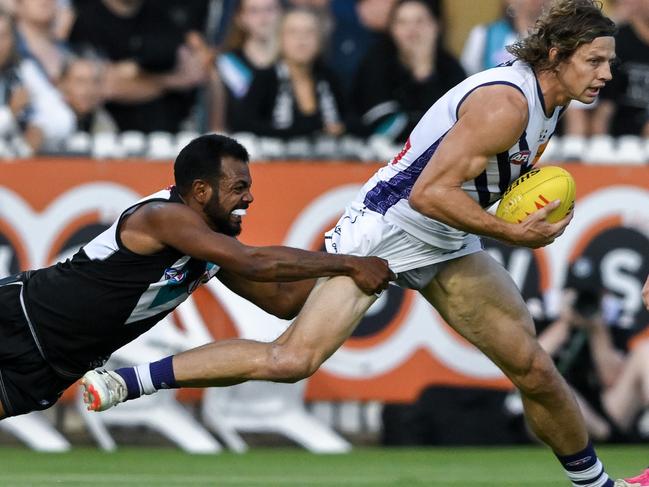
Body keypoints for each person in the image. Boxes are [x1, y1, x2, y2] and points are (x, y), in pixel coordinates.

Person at [83, 2, 648, 485]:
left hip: (446, 239)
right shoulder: (507, 105)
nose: (605, 74)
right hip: (389, 230)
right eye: (594, 61)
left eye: (609, 63)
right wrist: (511, 232)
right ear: (555, 56)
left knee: (535, 369)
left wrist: (507, 215)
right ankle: (128, 377)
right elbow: (429, 193)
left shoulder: (550, 104)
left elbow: (474, 187)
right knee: (292, 358)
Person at [0, 133, 393, 420]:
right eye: (239, 187)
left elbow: (282, 302)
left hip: (52, 367)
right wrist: (346, 263)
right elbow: (254, 262)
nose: (250, 199)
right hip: (17, 316)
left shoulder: (210, 249)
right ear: (201, 190)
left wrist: (361, 265)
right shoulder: (164, 216)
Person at [350, 0, 465, 142]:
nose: (412, 30)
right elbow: (381, 125)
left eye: (420, 21)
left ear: (436, 26)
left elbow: (459, 123)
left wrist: (424, 71)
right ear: (391, 29)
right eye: (402, 22)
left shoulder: (450, 67)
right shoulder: (376, 62)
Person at [227, 7, 346, 139]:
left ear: (320, 40)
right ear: (280, 39)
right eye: (293, 32)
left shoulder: (330, 77)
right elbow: (243, 125)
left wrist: (342, 127)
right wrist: (307, 131)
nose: (302, 39)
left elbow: (356, 121)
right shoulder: (266, 78)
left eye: (309, 32)